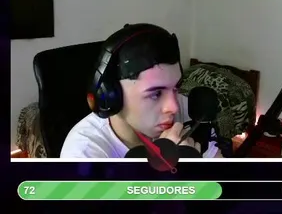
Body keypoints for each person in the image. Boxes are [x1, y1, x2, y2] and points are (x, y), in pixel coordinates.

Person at [62, 23, 219, 158]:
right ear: (111, 97)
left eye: (176, 88)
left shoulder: (189, 111)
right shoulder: (83, 152)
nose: (174, 107)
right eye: (156, 94)